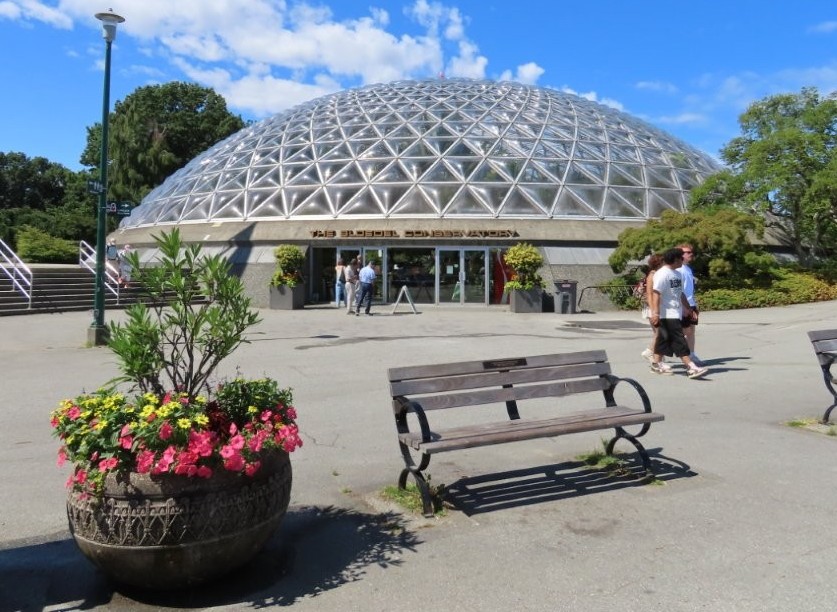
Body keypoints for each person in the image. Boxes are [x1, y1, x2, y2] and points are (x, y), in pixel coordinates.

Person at [649, 248, 708, 379]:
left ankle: (656, 363)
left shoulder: (677, 274)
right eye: (681, 258)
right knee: (679, 339)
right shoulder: (662, 274)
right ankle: (690, 367)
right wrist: (656, 314)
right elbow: (656, 294)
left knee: (664, 340)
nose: (683, 260)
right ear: (675, 259)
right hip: (666, 313)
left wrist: (687, 308)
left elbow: (680, 293)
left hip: (676, 312)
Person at [677, 243, 702, 366]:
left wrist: (694, 304)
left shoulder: (687, 268)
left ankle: (691, 354)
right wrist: (684, 307)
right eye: (687, 252)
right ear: (680, 255)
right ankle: (654, 352)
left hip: (691, 303)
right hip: (683, 305)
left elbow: (689, 289)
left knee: (691, 331)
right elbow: (679, 290)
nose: (690, 254)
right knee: (683, 332)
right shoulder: (678, 270)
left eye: (691, 252)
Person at [639, 253, 664, 363]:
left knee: (659, 332)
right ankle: (650, 352)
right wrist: (654, 310)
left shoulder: (657, 274)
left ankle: (657, 355)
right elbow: (649, 294)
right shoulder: (652, 275)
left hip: (655, 306)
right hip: (652, 307)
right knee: (659, 333)